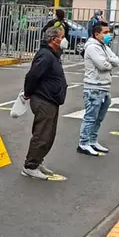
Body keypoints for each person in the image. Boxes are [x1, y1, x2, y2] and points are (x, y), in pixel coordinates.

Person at [21, 27, 68, 181]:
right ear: (54, 40)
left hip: (52, 99)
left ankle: (38, 161)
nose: (64, 40)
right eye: (62, 37)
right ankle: (30, 166)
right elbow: (32, 76)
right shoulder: (46, 55)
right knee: (42, 134)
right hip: (44, 99)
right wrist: (28, 93)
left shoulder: (53, 54)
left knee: (49, 135)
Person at [78, 22, 119, 156]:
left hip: (104, 87)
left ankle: (92, 141)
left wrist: (109, 61)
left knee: (99, 118)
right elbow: (103, 65)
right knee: (90, 118)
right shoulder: (92, 47)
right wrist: (110, 62)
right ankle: (83, 143)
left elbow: (117, 60)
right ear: (96, 34)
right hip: (94, 87)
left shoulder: (103, 46)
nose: (108, 35)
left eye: (109, 32)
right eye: (105, 32)